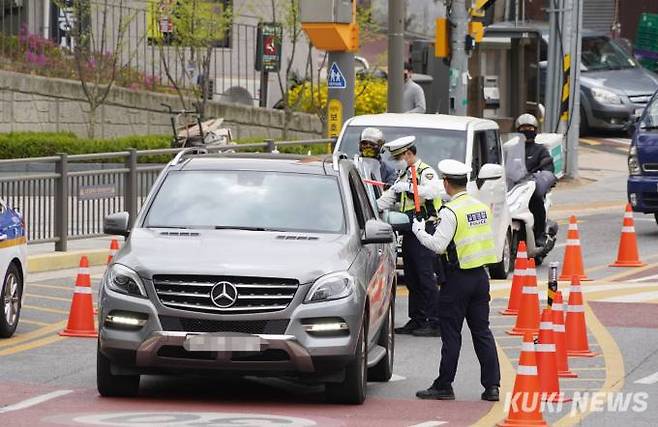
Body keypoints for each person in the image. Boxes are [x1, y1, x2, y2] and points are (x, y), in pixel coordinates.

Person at [412, 159, 500, 401]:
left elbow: (438, 246)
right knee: (482, 332)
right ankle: (492, 386)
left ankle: (444, 384)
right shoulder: (481, 207)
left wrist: (419, 231)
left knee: (451, 334)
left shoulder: (450, 211)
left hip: (457, 279)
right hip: (481, 277)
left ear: (447, 183)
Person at [377, 136, 442, 337]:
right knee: (412, 278)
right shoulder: (403, 174)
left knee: (425, 277)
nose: (397, 161)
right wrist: (373, 207)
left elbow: (432, 192)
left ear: (408, 154)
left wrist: (409, 188)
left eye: (399, 157)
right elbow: (389, 198)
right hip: (409, 231)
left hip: (426, 228)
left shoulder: (426, 172)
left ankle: (435, 322)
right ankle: (417, 319)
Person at [516, 113, 555, 247]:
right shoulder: (510, 149)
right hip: (513, 187)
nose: (526, 131)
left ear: (536, 130)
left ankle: (540, 234)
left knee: (536, 202)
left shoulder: (540, 150)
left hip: (531, 188)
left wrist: (542, 177)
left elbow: (548, 168)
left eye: (530, 128)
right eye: (523, 128)